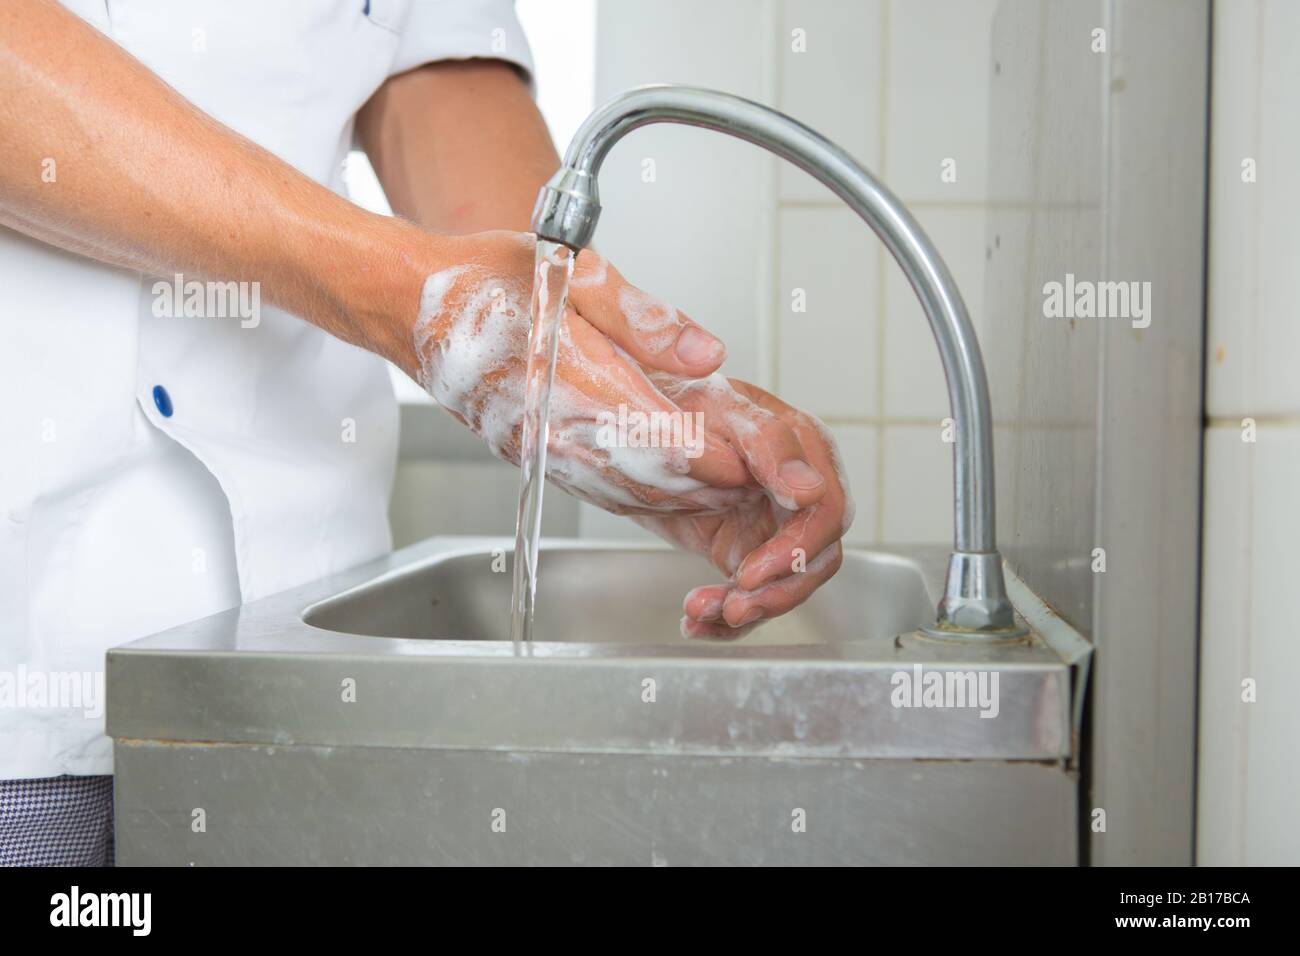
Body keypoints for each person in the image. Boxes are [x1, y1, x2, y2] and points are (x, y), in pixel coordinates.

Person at [0, 0, 851, 865]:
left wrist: (632, 387)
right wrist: (404, 292)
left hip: (307, 630)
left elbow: (434, 65)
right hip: (22, 635)